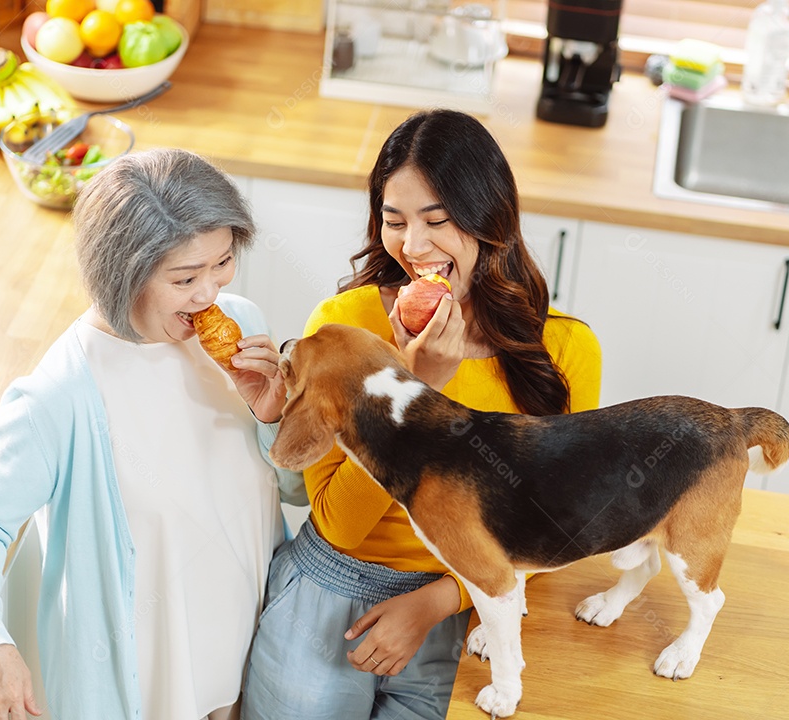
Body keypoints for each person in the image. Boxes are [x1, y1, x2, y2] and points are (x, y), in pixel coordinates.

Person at [241, 109, 602, 719]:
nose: (413, 247)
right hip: (330, 586)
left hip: (467, 608)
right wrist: (410, 388)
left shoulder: (565, 351)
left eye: (438, 222)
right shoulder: (346, 326)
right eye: (394, 221)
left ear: (494, 223)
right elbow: (338, 524)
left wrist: (441, 600)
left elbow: (556, 523)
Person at [0, 148, 307, 720]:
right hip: (149, 696)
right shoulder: (60, 397)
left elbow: (294, 493)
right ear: (124, 271)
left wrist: (273, 418)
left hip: (246, 671)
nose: (209, 293)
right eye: (184, 278)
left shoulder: (245, 329)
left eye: (223, 262)